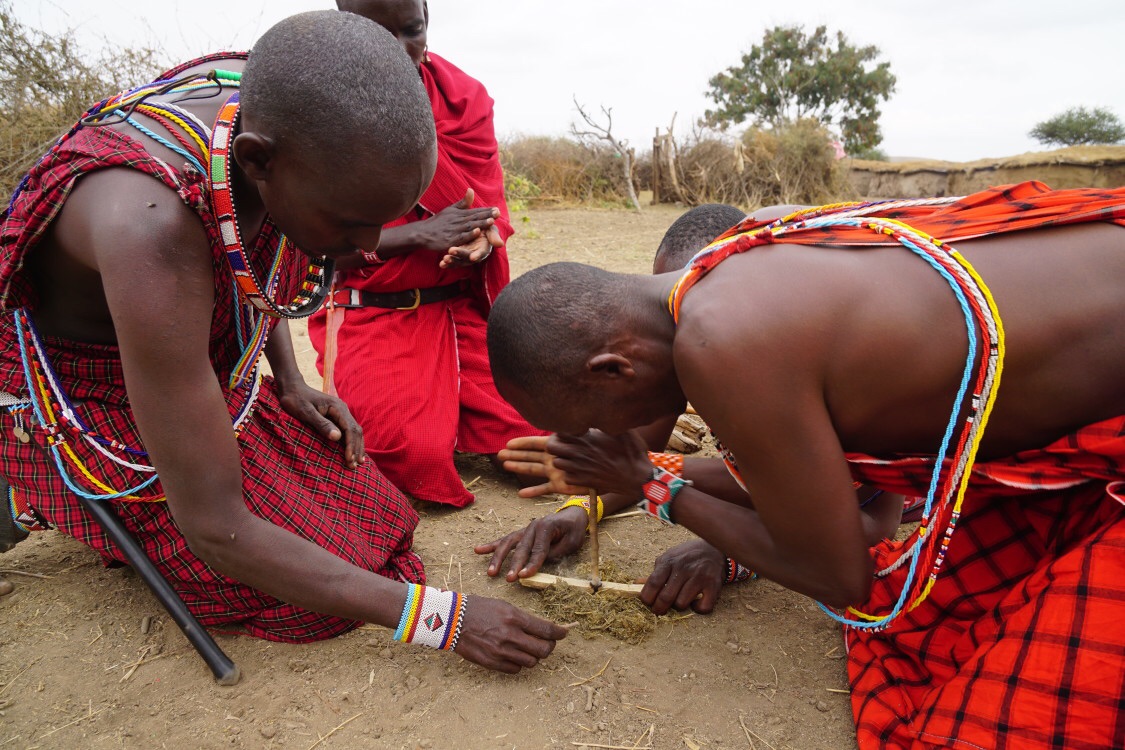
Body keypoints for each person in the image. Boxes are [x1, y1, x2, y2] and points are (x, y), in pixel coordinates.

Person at [0, 11, 565, 674]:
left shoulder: (264, 110)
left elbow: (255, 256)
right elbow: (214, 525)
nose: (367, 248)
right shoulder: (147, 225)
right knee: (312, 603)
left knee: (380, 523)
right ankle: (29, 486)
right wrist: (442, 620)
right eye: (351, 223)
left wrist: (292, 383)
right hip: (91, 391)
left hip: (189, 361)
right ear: (258, 161)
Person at [482, 182, 1125, 746]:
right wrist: (591, 501)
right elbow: (739, 469)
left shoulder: (721, 341)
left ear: (613, 369)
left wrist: (654, 488)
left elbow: (841, 573)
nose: (612, 432)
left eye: (595, 417)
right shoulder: (756, 243)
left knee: (996, 714)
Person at [483, 203, 903, 614]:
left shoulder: (765, 350)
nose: (683, 315)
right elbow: (638, 459)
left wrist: (724, 552)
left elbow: (864, 530)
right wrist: (581, 510)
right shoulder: (669, 338)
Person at [306, 0, 542, 508]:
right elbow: (314, 251)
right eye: (375, 33)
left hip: (461, 308)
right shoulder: (318, 107)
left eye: (412, 30)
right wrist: (418, 235)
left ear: (428, 16)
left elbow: (487, 208)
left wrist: (483, 240)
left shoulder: (462, 99)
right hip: (376, 312)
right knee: (409, 456)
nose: (398, 50)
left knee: (539, 439)